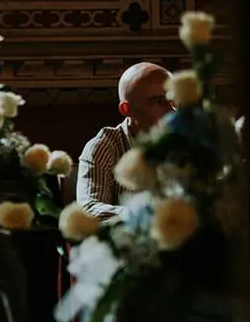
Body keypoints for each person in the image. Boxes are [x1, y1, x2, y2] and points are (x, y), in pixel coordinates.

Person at [75, 61, 175, 222]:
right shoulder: (105, 146)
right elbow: (90, 208)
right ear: (127, 110)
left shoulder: (187, 140)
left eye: (173, 99)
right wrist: (149, 215)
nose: (172, 110)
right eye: (158, 102)